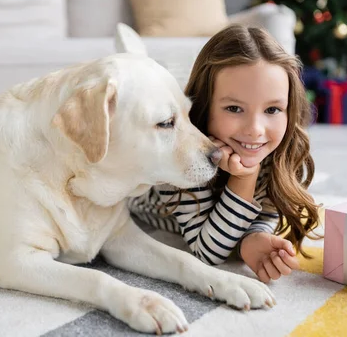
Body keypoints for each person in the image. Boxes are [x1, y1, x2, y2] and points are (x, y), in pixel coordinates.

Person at [127, 24, 321, 283]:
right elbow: (208, 251)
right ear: (204, 106)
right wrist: (244, 178)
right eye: (234, 108)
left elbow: (263, 210)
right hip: (136, 208)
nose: (255, 130)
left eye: (272, 110)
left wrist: (252, 239)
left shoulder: (280, 150)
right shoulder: (178, 155)